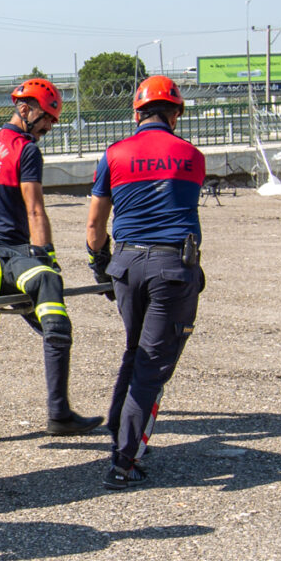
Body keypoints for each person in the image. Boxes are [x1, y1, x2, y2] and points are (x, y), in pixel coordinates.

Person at [0, 76, 100, 444]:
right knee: (55, 328)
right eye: (46, 118)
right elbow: (35, 210)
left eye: (53, 121)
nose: (49, 127)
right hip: (13, 261)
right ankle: (59, 414)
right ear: (25, 109)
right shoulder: (25, 150)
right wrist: (47, 259)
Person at [84, 75, 206, 487]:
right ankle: (124, 462)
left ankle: (119, 432)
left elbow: (95, 224)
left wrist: (100, 265)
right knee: (152, 366)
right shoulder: (192, 156)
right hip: (172, 269)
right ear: (175, 115)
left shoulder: (113, 154)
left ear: (137, 113)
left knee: (135, 350)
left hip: (126, 265)